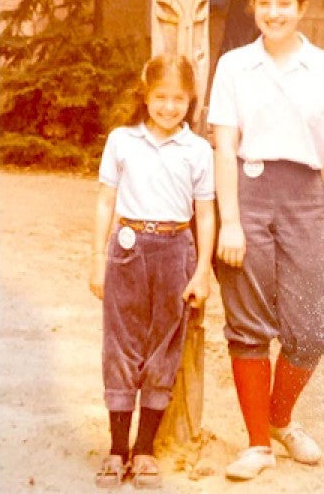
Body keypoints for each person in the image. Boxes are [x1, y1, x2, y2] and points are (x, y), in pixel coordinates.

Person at [207, 0, 324, 481]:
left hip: (304, 200)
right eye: (264, 3)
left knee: (312, 331)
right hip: (247, 196)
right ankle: (257, 444)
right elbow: (224, 147)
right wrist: (229, 221)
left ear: (301, 7)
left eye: (284, 3)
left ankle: (280, 418)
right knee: (249, 323)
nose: (273, 12)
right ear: (253, 7)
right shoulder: (233, 66)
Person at [89, 54, 215, 489]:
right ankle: (117, 449)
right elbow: (106, 201)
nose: (168, 107)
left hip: (176, 249)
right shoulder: (122, 141)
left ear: (190, 100)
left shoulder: (198, 150)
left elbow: (206, 212)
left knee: (164, 347)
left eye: (178, 99)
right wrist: (96, 260)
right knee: (121, 346)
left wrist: (201, 272)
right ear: (145, 96)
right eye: (160, 97)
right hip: (128, 250)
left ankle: (144, 451)